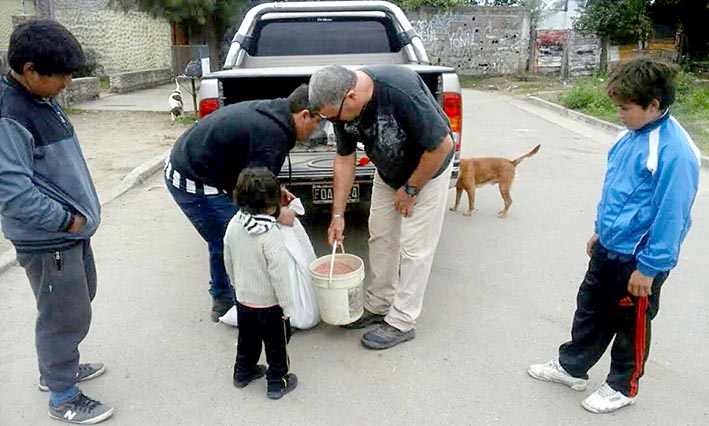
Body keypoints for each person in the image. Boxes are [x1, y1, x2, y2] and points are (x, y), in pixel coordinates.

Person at [528, 58, 701, 414]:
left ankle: (623, 385)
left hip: (639, 261)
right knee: (589, 309)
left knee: (630, 325)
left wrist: (650, 268)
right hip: (609, 247)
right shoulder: (629, 136)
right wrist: (600, 230)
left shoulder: (675, 152)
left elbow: (672, 215)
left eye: (625, 108)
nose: (619, 114)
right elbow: (617, 191)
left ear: (653, 105)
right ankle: (572, 366)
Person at [0, 20, 113, 424]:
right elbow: (12, 195)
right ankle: (62, 393)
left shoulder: (40, 101)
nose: (67, 82)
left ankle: (59, 367)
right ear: (30, 71)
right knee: (62, 316)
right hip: (51, 240)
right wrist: (67, 221)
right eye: (61, 75)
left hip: (70, 235)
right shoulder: (9, 115)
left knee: (76, 304)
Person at [308, 64, 455, 350]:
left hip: (428, 170)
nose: (333, 123)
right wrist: (337, 214)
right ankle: (378, 304)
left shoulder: (400, 91)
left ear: (350, 97)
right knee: (380, 236)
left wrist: (411, 189)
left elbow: (442, 145)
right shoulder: (339, 106)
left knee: (415, 249)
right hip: (389, 172)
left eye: (333, 117)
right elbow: (344, 159)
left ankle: (402, 321)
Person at [164, 84, 322, 322]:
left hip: (206, 167)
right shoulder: (274, 134)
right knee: (228, 237)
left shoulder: (277, 116)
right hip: (192, 178)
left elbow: (255, 170)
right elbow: (253, 197)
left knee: (234, 232)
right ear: (304, 115)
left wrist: (275, 188)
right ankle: (226, 304)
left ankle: (235, 299)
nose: (317, 129)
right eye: (318, 121)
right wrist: (280, 214)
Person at [223, 168, 298, 400]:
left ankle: (242, 373)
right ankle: (278, 381)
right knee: (277, 347)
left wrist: (236, 286)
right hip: (270, 306)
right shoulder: (270, 234)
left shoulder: (234, 224)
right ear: (273, 204)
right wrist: (287, 308)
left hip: (244, 300)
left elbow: (227, 258)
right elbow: (280, 276)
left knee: (247, 341)